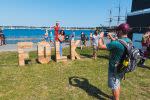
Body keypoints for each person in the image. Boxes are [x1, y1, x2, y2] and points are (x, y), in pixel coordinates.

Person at [98, 23, 131, 100]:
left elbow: (100, 46)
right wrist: (111, 37)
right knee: (117, 83)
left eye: (117, 31)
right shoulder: (129, 40)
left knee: (114, 86)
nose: (116, 32)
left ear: (121, 31)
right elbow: (119, 43)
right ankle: (115, 97)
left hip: (114, 68)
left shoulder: (116, 43)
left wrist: (100, 36)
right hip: (123, 66)